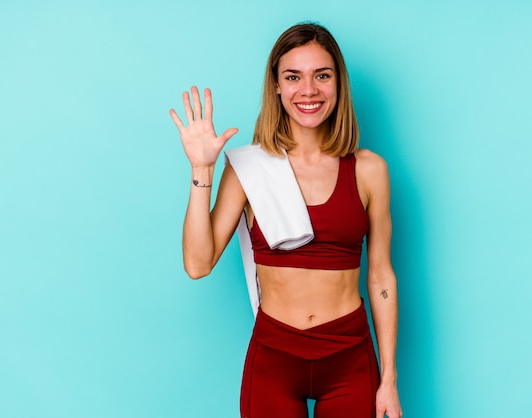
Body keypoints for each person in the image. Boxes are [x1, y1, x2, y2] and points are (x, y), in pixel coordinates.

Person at [169, 23, 402, 418]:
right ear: (276, 86)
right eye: (293, 77)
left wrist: (389, 381)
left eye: (321, 76)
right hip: (274, 358)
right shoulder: (249, 168)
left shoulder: (369, 170)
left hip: (349, 358)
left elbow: (380, 276)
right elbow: (197, 263)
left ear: (338, 84)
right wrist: (201, 169)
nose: (308, 90)